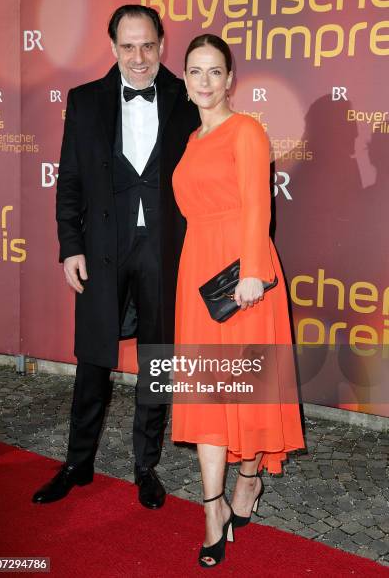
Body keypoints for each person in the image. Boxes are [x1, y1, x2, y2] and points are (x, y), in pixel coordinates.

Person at [32, 5, 200, 509]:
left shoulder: (187, 97)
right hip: (102, 250)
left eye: (147, 44)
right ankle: (77, 463)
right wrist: (70, 247)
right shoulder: (85, 101)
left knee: (157, 358)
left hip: (166, 250)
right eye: (128, 46)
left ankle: (145, 466)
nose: (139, 56)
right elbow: (70, 183)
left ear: (163, 44)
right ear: (112, 49)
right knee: (93, 361)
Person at [171, 34, 305, 567]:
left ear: (231, 79)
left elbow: (257, 206)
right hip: (196, 271)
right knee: (209, 390)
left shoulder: (247, 130)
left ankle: (247, 482)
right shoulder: (191, 141)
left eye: (214, 72)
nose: (204, 82)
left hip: (242, 277)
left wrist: (252, 272)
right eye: (195, 71)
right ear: (184, 79)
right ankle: (212, 509)